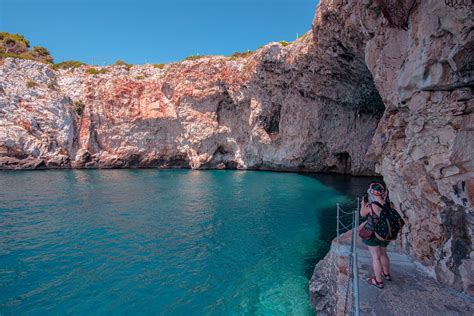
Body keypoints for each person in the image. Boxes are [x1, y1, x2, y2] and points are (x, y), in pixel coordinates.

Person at [360, 182, 393, 289]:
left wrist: (363, 204)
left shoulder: (372, 205)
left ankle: (378, 281)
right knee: (383, 254)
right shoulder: (388, 203)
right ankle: (386, 274)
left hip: (373, 234)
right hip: (385, 233)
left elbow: (362, 214)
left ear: (372, 192)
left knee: (376, 257)